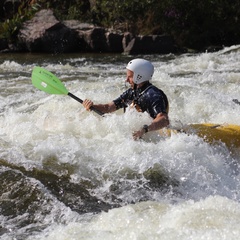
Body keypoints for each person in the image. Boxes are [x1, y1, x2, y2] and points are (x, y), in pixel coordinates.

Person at [83, 58, 169, 140]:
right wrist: (92, 106)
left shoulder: (153, 94)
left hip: (155, 133)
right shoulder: (131, 92)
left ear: (139, 76)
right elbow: (108, 107)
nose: (127, 80)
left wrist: (145, 129)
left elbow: (164, 119)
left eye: (130, 76)